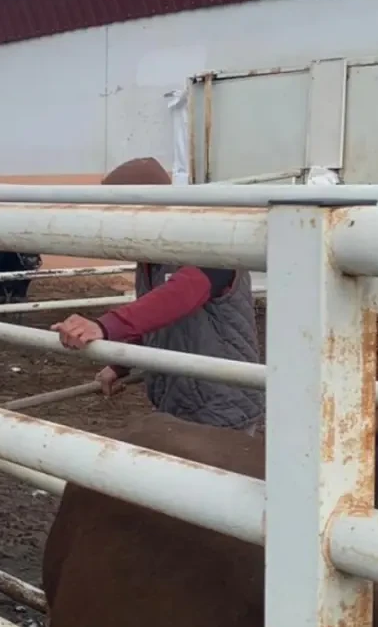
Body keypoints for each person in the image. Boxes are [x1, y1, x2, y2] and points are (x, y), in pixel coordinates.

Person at [51, 156, 264, 433]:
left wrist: (105, 326)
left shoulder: (212, 243)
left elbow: (180, 295)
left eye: (118, 214)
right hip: (181, 397)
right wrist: (121, 363)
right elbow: (157, 317)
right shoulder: (153, 252)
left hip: (222, 401)